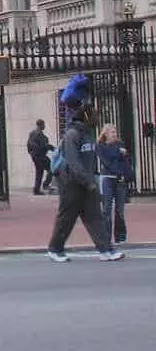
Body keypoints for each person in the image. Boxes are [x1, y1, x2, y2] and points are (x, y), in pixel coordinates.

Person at [46, 75, 122, 263]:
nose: (96, 117)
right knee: (67, 217)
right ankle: (55, 249)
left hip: (86, 182)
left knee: (94, 216)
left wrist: (91, 180)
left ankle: (106, 249)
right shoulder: (72, 135)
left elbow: (88, 160)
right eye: (92, 114)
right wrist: (88, 181)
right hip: (71, 182)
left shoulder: (87, 135)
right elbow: (73, 162)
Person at [97, 124, 132, 247]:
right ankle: (106, 237)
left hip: (120, 180)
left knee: (120, 209)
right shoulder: (100, 146)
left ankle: (120, 236)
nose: (114, 134)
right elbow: (106, 160)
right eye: (112, 132)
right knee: (106, 209)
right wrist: (118, 154)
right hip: (107, 179)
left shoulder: (120, 144)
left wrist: (122, 155)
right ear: (105, 134)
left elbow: (126, 160)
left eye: (115, 132)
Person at [27, 119, 54, 195]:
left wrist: (32, 154)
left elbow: (29, 145)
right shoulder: (39, 135)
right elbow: (43, 145)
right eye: (44, 124)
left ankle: (37, 189)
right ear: (41, 125)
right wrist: (53, 148)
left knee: (39, 172)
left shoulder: (32, 133)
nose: (44, 126)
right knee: (51, 168)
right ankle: (44, 185)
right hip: (40, 156)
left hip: (36, 156)